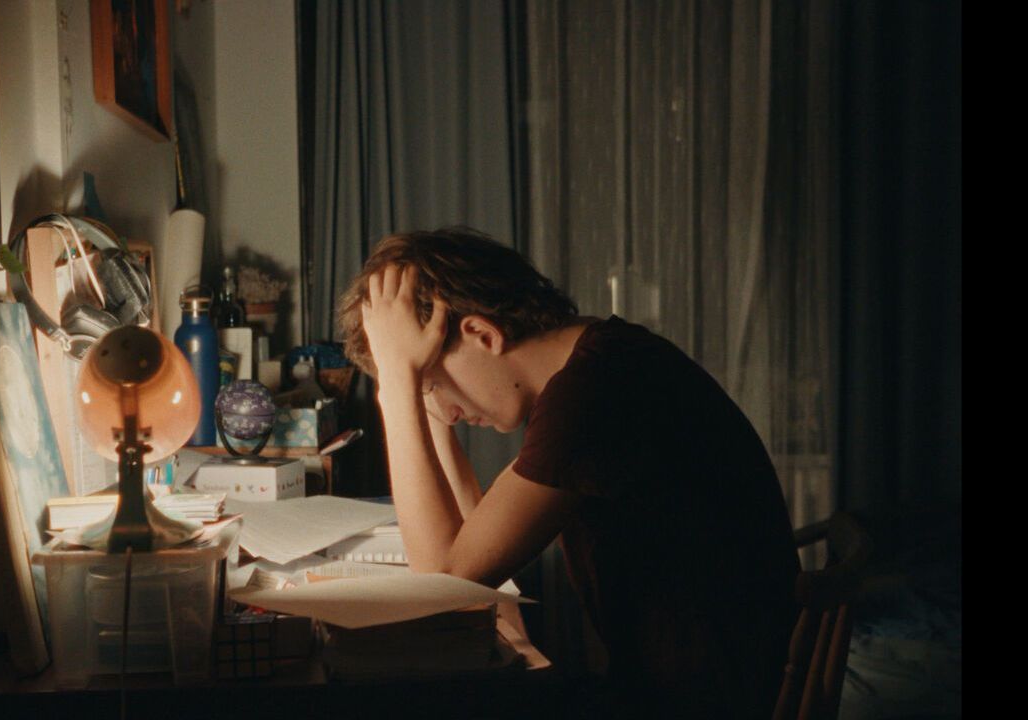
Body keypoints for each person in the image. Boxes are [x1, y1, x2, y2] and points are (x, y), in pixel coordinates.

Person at [336, 227, 800, 718]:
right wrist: (416, 392)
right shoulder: (602, 361)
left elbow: (444, 583)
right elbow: (474, 543)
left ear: (482, 335)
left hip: (705, 701)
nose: (444, 410)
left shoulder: (591, 396)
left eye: (432, 383)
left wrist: (399, 388)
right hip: (694, 682)